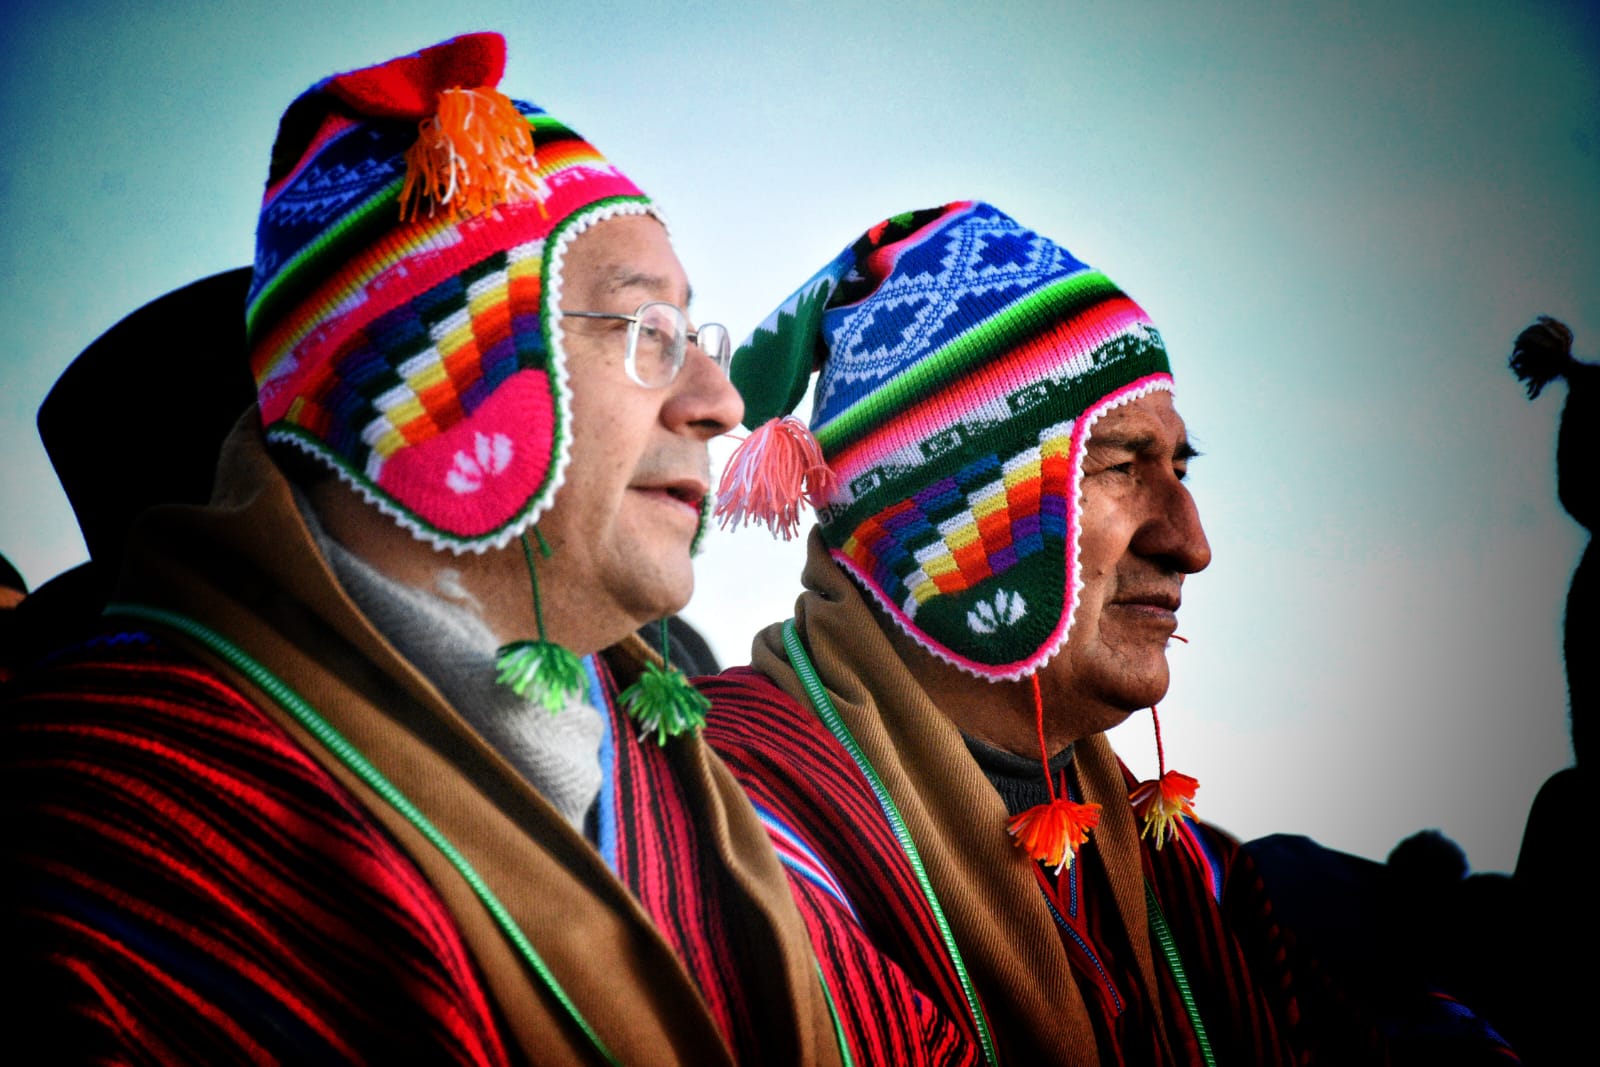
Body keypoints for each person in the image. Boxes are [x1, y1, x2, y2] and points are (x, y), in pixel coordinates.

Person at [1, 34, 841, 1066]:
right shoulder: (90, 827)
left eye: (695, 338)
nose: (721, 404)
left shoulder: (675, 770)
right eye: (643, 331)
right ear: (442, 387)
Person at [700, 201, 1507, 1064]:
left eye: (1181, 468)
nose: (1191, 543)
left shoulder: (1192, 876)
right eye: (1122, 464)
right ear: (951, 522)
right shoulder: (734, 825)